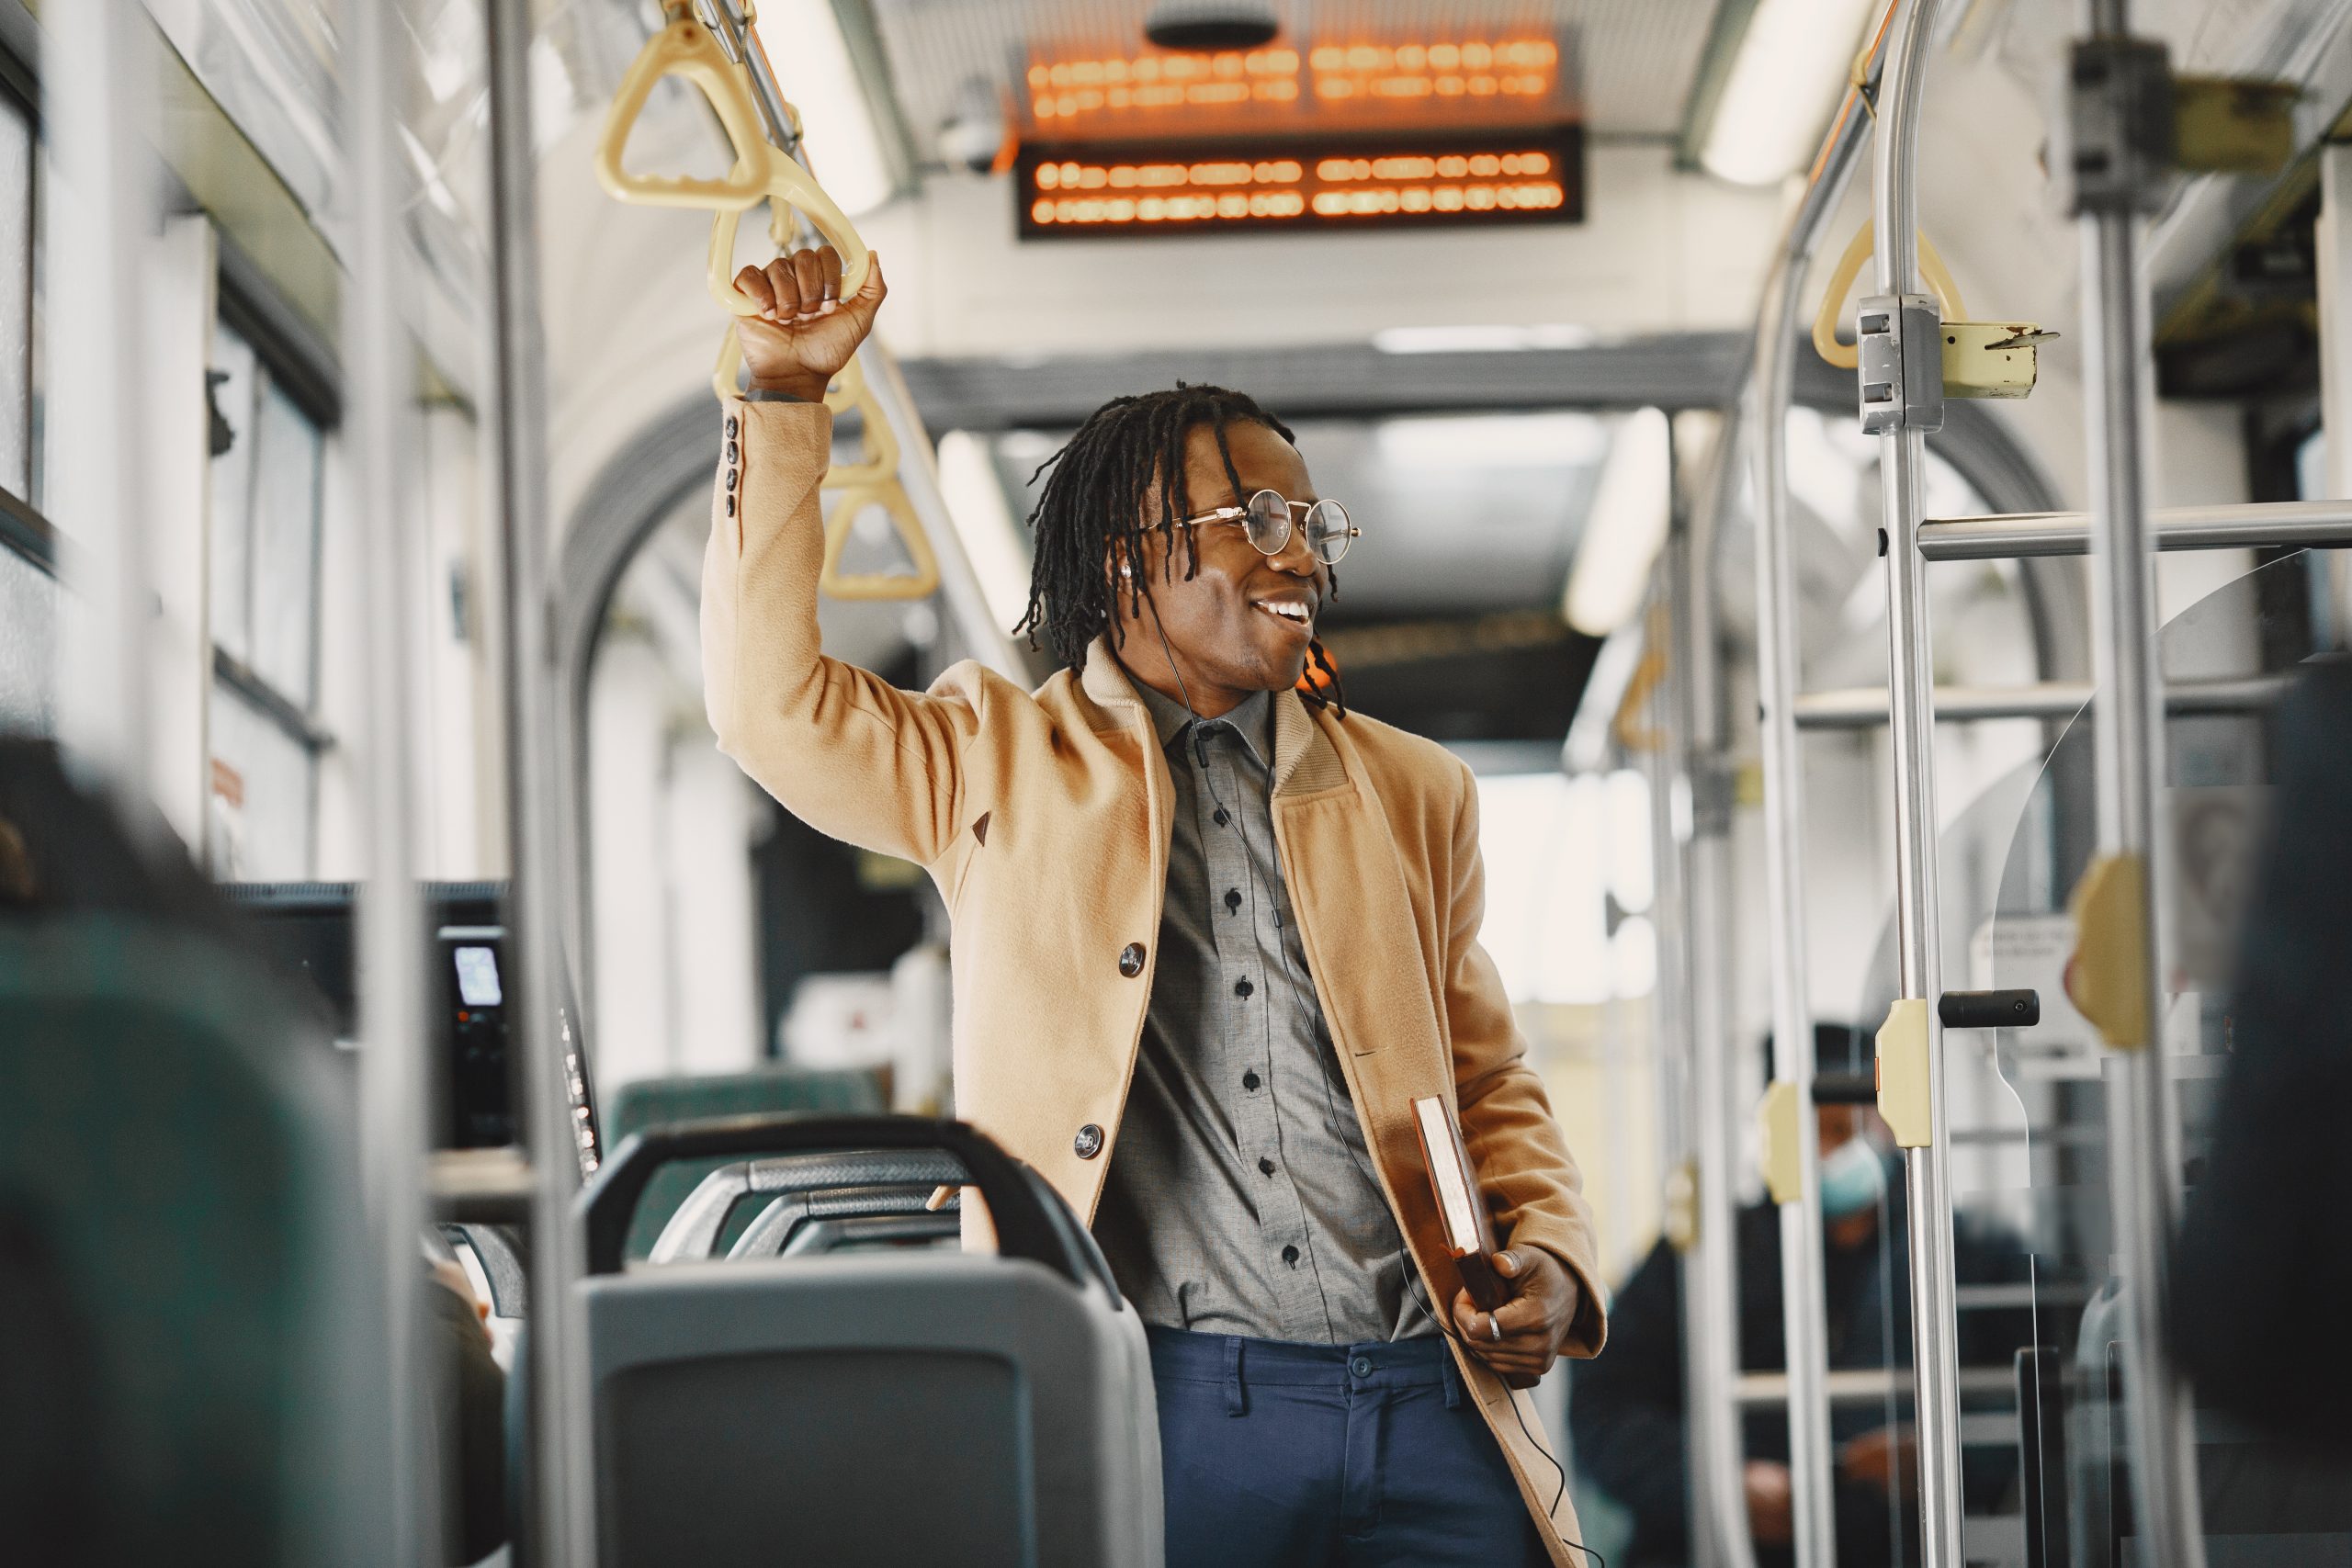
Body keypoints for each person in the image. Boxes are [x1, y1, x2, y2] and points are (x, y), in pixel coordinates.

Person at [703, 244, 1606, 1567]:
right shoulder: (988, 761)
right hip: (1170, 1399)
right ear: (1129, 556)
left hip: (1435, 1403)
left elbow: (1485, 1078)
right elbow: (764, 707)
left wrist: (1556, 1256)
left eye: (1311, 521)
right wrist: (782, 400)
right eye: (1256, 518)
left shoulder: (1417, 789)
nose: (1300, 551)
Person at [1569, 1032, 2030, 1568]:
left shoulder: (1961, 1252)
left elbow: (2041, 1394)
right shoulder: (1704, 1259)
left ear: (1889, 1125)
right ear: (1777, 1138)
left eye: (1852, 1127)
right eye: (1817, 1130)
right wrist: (1715, 1483)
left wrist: (1948, 1456)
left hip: (1911, 1545)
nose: (1836, 1149)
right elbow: (1604, 1407)